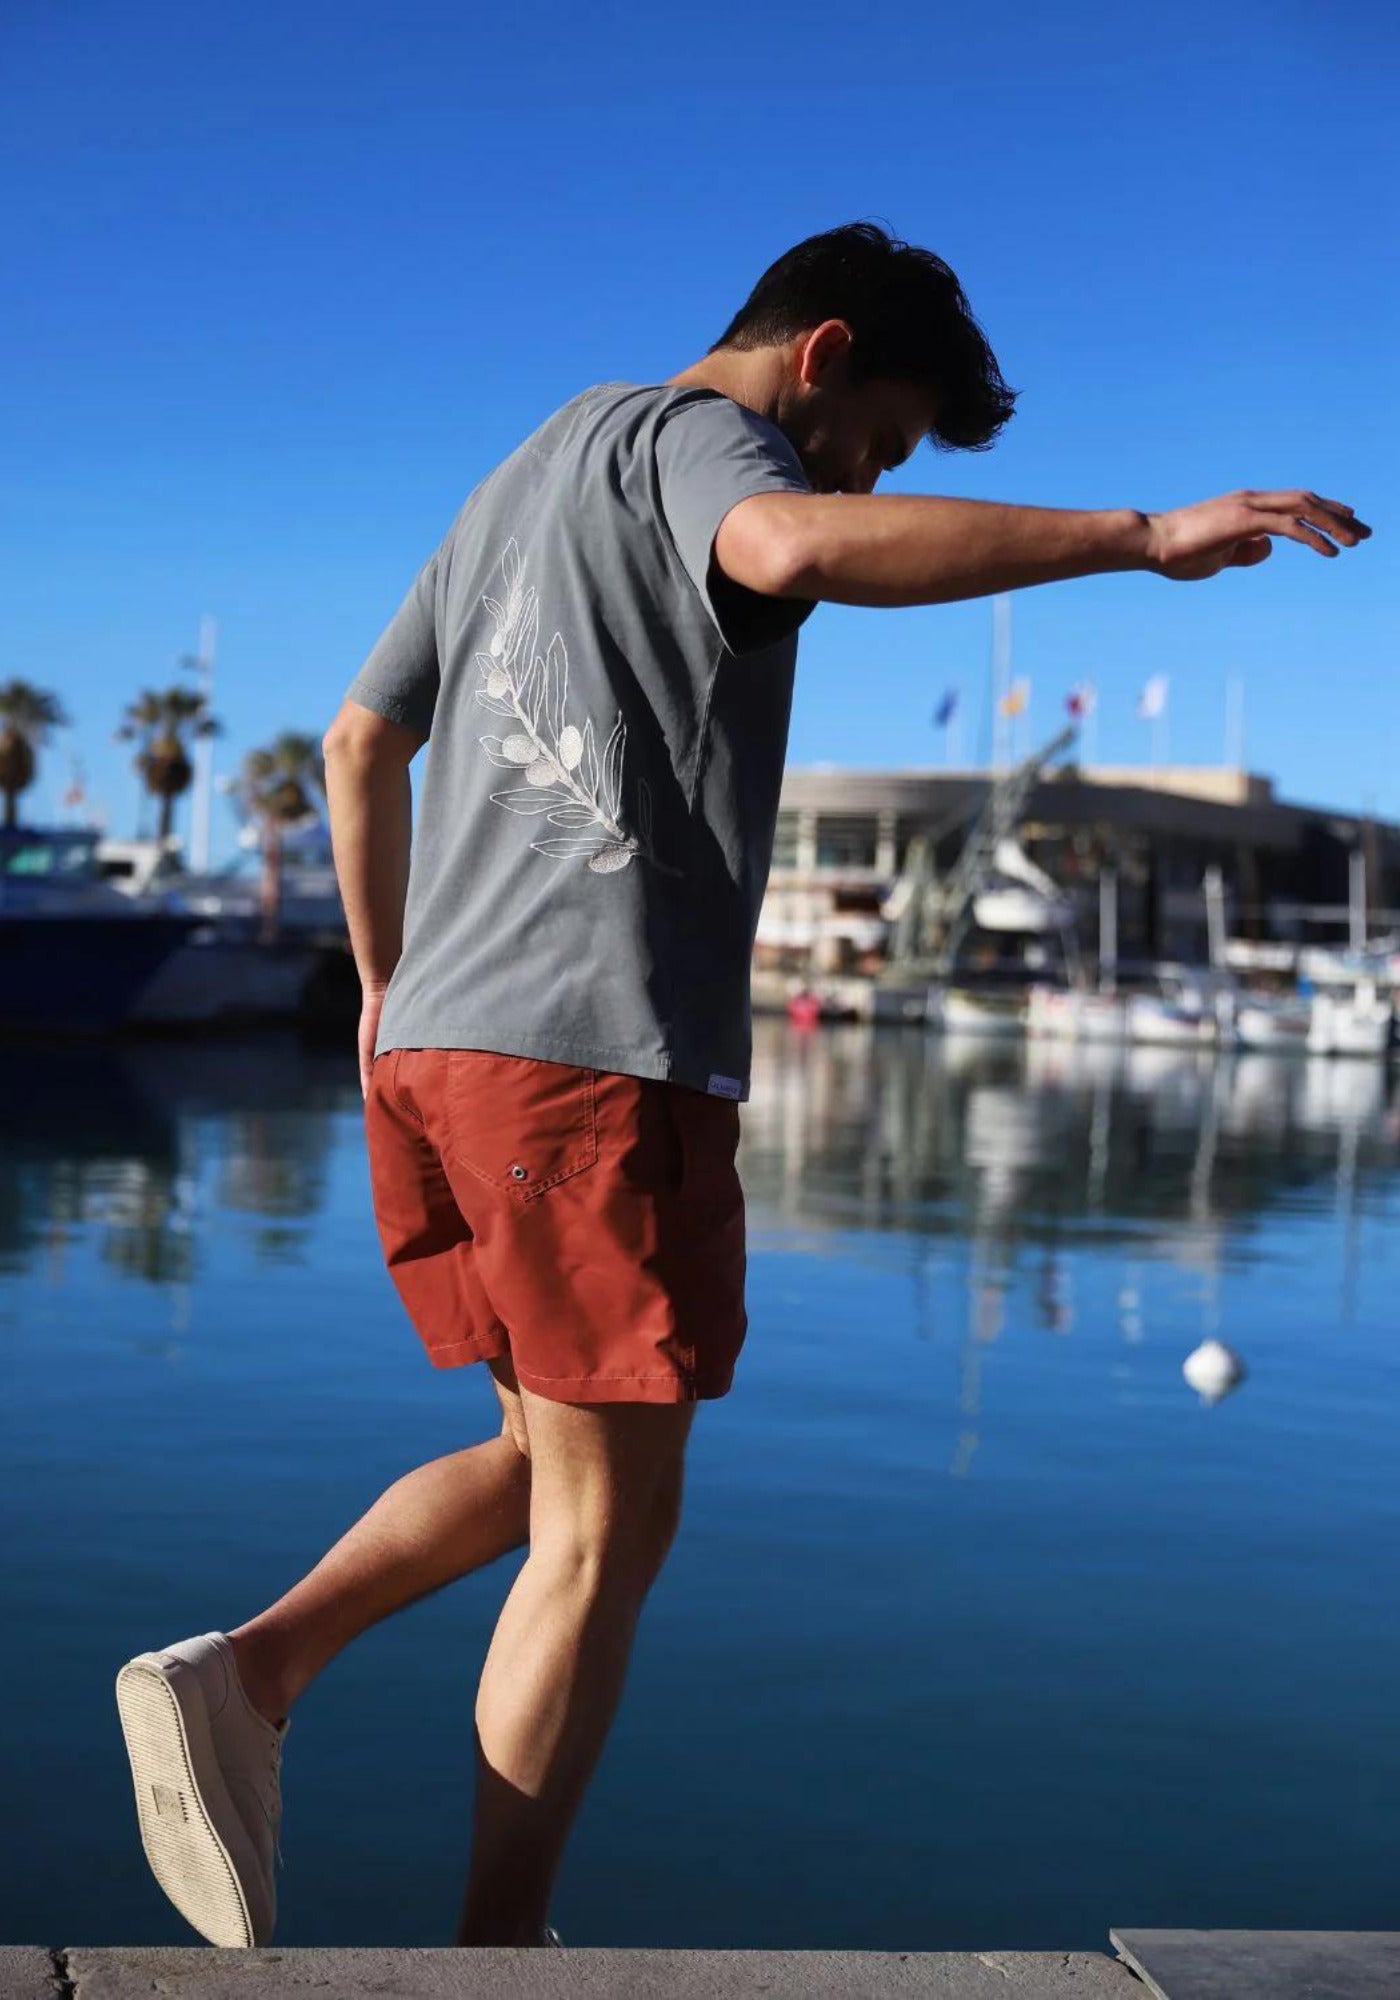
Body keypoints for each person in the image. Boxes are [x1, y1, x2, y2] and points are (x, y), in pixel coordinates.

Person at [115, 221, 1370, 1952]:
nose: (873, 478)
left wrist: (388, 984)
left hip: (445, 1055)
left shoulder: (521, 471)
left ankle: (247, 1676)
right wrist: (1142, 540)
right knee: (608, 1540)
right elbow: (787, 538)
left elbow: (354, 743)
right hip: (590, 1058)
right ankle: (499, 1957)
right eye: (890, 439)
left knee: (547, 1463)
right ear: (823, 355)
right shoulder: (718, 446)